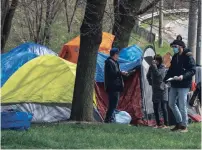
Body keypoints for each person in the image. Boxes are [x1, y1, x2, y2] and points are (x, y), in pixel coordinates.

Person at [164, 40, 196, 132]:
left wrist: (183, 76)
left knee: (182, 105)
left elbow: (193, 70)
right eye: (173, 47)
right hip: (174, 83)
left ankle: (184, 126)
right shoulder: (175, 57)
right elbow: (171, 70)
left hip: (184, 84)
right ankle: (179, 123)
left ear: (180, 47)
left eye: (175, 46)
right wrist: (165, 80)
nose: (173, 48)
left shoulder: (188, 56)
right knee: (171, 103)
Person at [104, 48, 128, 123]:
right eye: (117, 54)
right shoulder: (109, 62)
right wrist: (120, 73)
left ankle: (110, 118)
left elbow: (116, 72)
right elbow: (112, 74)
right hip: (112, 86)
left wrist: (121, 73)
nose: (118, 56)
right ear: (114, 54)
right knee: (113, 103)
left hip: (116, 86)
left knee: (114, 103)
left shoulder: (115, 62)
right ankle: (108, 119)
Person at [147, 54, 169, 128]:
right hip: (155, 89)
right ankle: (158, 124)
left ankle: (166, 124)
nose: (155, 61)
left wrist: (154, 67)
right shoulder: (152, 67)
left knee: (163, 107)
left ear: (159, 61)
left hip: (163, 89)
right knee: (155, 107)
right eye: (154, 60)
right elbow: (148, 76)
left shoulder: (163, 68)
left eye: (156, 60)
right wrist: (151, 83)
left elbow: (159, 75)